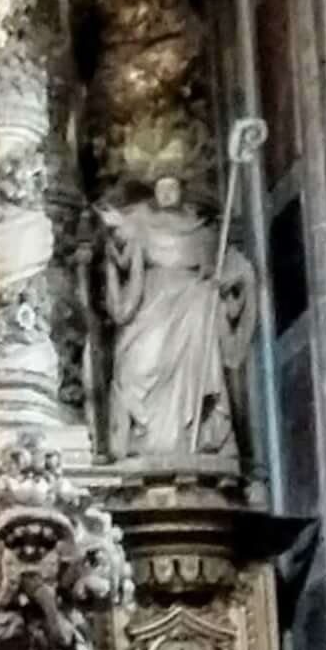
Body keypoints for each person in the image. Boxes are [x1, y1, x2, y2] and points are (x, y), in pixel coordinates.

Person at [95, 174, 257, 462]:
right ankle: (142, 437)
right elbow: (120, 251)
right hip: (150, 300)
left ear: (182, 191)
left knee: (194, 365)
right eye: (161, 188)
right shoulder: (140, 223)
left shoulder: (204, 232)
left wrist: (221, 284)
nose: (166, 193)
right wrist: (115, 227)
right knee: (135, 367)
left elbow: (228, 269)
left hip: (192, 303)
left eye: (172, 187)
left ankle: (195, 436)